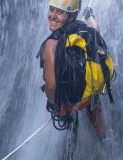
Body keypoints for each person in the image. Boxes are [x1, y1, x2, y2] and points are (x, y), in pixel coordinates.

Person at [41, 0, 107, 138]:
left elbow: (52, 86)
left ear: (70, 16)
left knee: (69, 125)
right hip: (88, 97)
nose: (52, 16)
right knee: (92, 100)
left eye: (59, 12)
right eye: (52, 9)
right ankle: (103, 137)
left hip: (68, 105)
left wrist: (53, 104)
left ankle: (71, 145)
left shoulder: (51, 45)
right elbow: (96, 32)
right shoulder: (83, 29)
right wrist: (90, 16)